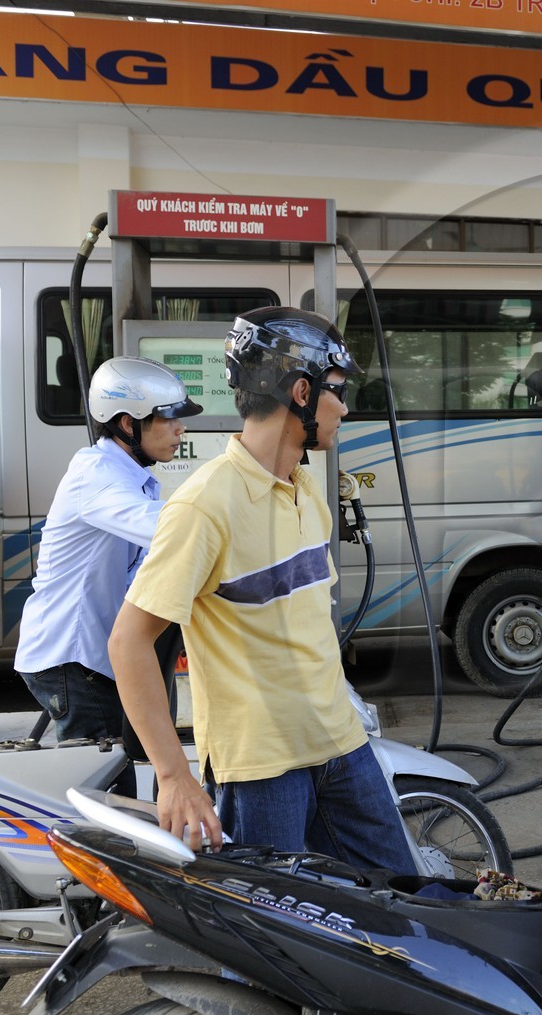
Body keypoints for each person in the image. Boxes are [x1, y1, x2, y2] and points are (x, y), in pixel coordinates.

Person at [108, 307, 414, 874]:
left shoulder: (305, 485)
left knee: (401, 907)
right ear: (302, 391)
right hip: (261, 770)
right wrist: (174, 777)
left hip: (341, 748)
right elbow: (129, 643)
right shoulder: (204, 505)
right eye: (337, 392)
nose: (344, 409)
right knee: (269, 947)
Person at [14, 358, 202, 742]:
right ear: (128, 423)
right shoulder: (98, 475)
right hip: (73, 656)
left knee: (122, 763)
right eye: (168, 419)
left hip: (94, 653)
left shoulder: (129, 475)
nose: (180, 429)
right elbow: (170, 529)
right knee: (105, 777)